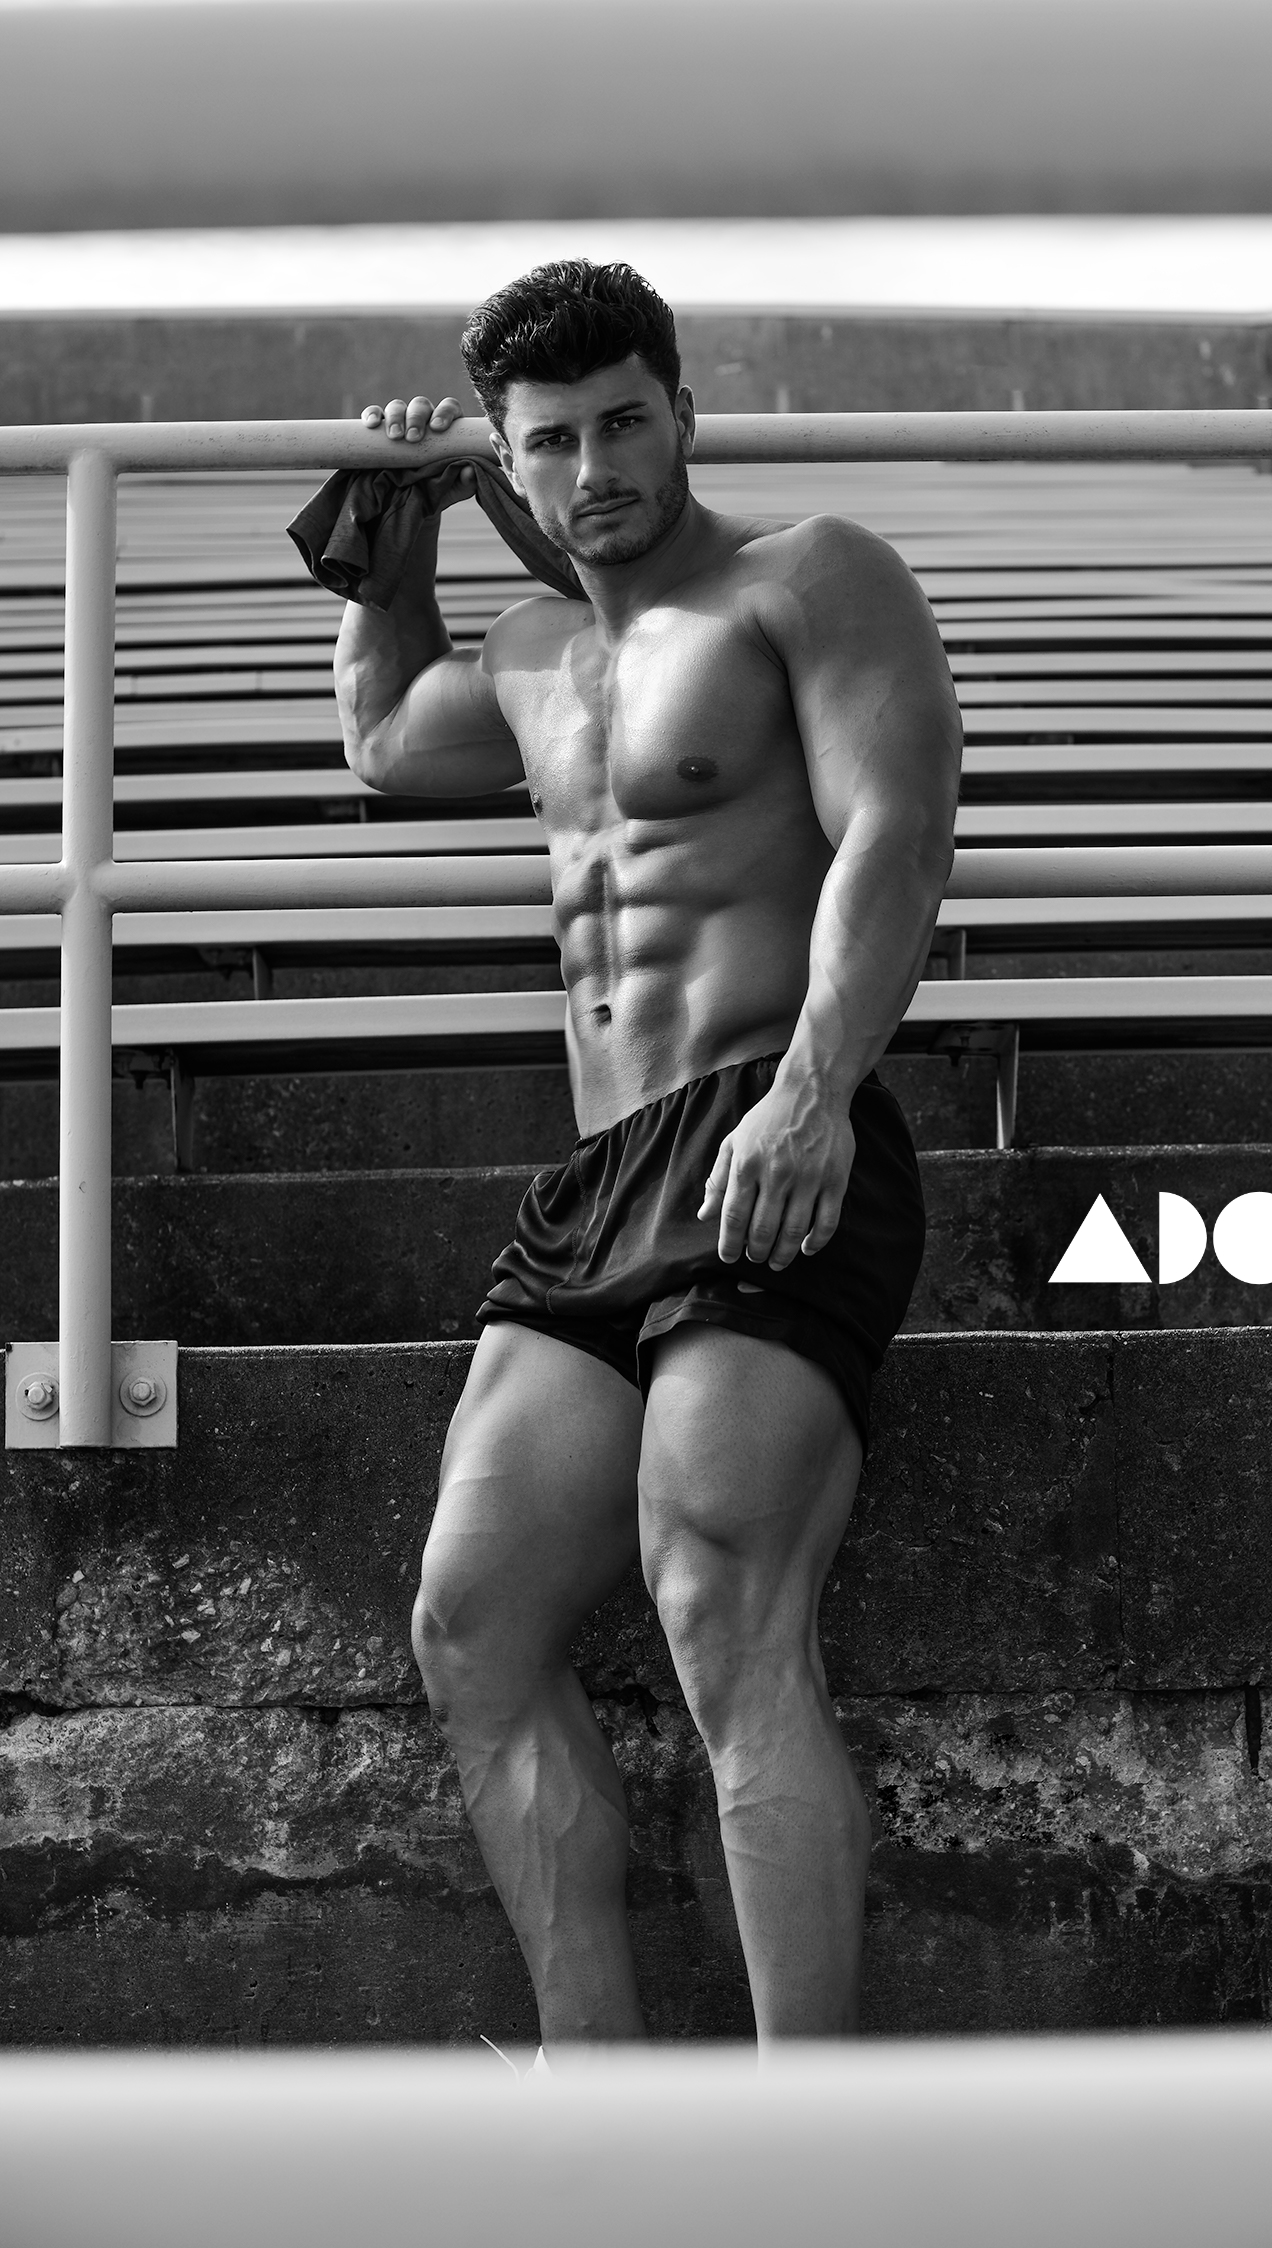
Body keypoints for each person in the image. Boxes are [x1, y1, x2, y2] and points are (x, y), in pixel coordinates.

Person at [338, 260, 962, 2047]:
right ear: (509, 461)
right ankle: (597, 2107)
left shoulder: (808, 577)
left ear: (683, 413)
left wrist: (816, 1089)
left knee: (719, 1606)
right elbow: (381, 744)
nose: (595, 466)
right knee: (469, 1622)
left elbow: (897, 831)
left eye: (624, 422)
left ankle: (798, 2145)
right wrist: (390, 549)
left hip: (771, 1123)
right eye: (551, 441)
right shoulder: (531, 655)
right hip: (603, 1174)